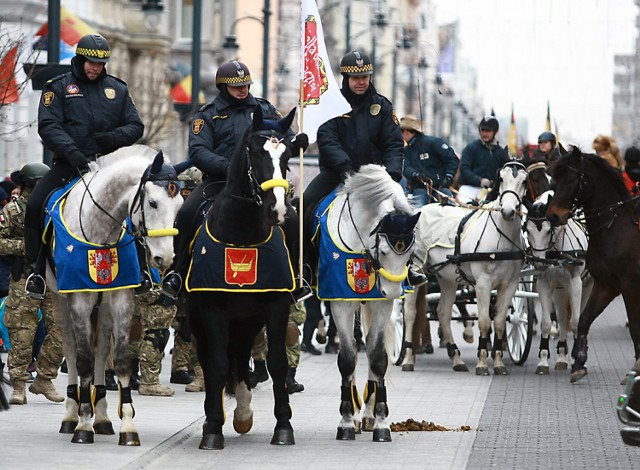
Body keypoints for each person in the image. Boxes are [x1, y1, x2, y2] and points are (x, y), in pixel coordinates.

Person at [161, 60, 309, 299]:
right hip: (220, 181)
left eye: (246, 85)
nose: (242, 90)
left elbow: (283, 138)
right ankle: (177, 272)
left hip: (262, 184)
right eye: (236, 86)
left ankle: (298, 275)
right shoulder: (207, 115)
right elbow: (199, 151)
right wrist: (230, 168)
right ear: (223, 87)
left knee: (292, 220)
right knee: (188, 212)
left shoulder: (266, 110)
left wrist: (296, 141)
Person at [24, 33, 144, 299]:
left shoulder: (118, 89)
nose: (95, 68)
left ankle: (142, 272)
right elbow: (49, 125)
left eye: (100, 64)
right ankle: (36, 273)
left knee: (138, 207)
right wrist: (73, 152)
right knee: (34, 206)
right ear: (80, 58)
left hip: (109, 166)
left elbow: (136, 126)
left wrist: (111, 139)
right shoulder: (58, 86)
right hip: (70, 165)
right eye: (91, 62)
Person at [302, 50, 425, 287]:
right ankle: (306, 266)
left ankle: (410, 267)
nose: (361, 82)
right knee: (305, 204)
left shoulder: (383, 106)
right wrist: (345, 168)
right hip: (338, 174)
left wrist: (390, 175)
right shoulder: (331, 105)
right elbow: (327, 140)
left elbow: (393, 144)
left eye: (365, 77)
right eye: (355, 78)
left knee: (406, 214)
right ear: (345, 78)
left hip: (377, 178)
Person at [1, 162, 65, 405]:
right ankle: (18, 385)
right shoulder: (13, 210)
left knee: (61, 331)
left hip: (53, 277)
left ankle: (45, 378)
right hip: (24, 278)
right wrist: (26, 247)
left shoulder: (56, 208)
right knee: (22, 333)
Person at [400, 114, 459, 206]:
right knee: (415, 213)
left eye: (401, 132)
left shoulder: (433, 142)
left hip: (441, 187)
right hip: (420, 188)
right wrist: (416, 175)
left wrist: (449, 176)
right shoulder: (406, 150)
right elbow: (406, 169)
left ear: (406, 132)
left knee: (449, 211)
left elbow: (452, 158)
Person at [458, 115, 509, 203]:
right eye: (482, 130)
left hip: (492, 191)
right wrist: (479, 180)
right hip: (470, 188)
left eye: (488, 131)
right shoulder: (470, 148)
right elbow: (464, 169)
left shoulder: (501, 152)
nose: (484, 133)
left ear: (495, 132)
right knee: (462, 212)